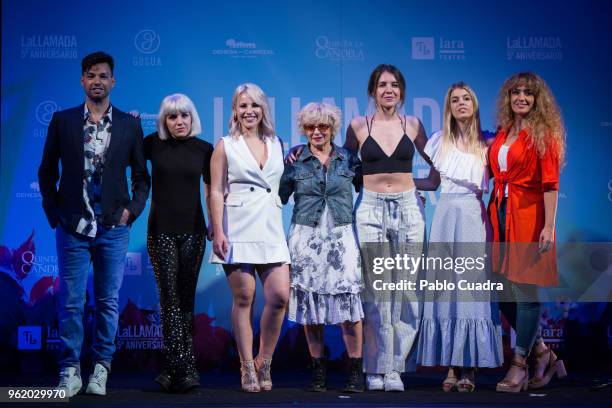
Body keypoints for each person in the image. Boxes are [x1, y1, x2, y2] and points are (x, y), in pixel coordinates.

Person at [38, 51, 150, 396]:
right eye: (91, 75)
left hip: (114, 228)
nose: (97, 81)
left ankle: (101, 368)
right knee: (70, 301)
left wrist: (131, 211)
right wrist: (55, 213)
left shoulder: (130, 125)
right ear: (82, 81)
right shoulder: (63, 121)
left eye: (103, 75)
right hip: (73, 226)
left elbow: (142, 177)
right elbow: (46, 171)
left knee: (107, 301)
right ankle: (70, 370)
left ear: (113, 81)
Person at [346, 64, 438, 391]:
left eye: (395, 85)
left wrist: (416, 189)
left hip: (409, 209)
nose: (389, 90)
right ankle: (375, 367)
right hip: (369, 209)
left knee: (407, 290)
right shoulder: (358, 125)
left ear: (402, 91)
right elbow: (343, 168)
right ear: (372, 91)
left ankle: (395, 368)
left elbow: (437, 167)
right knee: (376, 289)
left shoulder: (412, 124)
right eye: (383, 84)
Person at [416, 83, 503, 392]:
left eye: (466, 98)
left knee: (470, 292)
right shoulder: (439, 141)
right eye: (455, 100)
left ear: (475, 104)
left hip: (474, 219)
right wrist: (396, 183)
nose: (461, 103)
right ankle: (450, 365)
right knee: (445, 292)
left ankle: (469, 367)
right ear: (448, 107)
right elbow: (431, 181)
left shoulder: (490, 142)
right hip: (445, 218)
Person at [209, 83, 291, 392]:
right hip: (238, 227)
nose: (249, 111)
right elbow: (216, 191)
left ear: (263, 109)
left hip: (270, 226)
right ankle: (246, 367)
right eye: (243, 106)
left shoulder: (277, 142)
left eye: (254, 105)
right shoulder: (225, 145)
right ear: (234, 110)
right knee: (244, 298)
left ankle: (264, 361)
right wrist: (218, 230)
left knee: (280, 296)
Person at [488, 72, 567, 393]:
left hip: (529, 217)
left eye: (528, 93)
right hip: (501, 215)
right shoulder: (504, 133)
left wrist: (548, 226)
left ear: (538, 100)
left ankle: (520, 364)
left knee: (525, 293)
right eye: (515, 92)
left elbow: (550, 185)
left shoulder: (543, 134)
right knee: (501, 291)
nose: (521, 98)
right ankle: (543, 352)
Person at [279, 102, 364, 392]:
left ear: (332, 128)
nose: (317, 131)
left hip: (342, 236)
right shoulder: (294, 161)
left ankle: (355, 371)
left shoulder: (349, 159)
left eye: (323, 126)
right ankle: (318, 372)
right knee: (309, 306)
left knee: (349, 306)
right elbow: (276, 196)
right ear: (304, 129)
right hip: (306, 238)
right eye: (311, 127)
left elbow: (371, 190)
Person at [144, 94, 213, 393]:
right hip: (160, 232)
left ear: (192, 118)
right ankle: (184, 368)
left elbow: (213, 189)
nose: (179, 122)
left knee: (186, 301)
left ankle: (176, 368)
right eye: (172, 117)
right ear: (164, 121)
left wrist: (215, 223)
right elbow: (122, 153)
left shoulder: (204, 149)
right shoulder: (151, 144)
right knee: (169, 300)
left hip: (194, 232)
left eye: (184, 115)